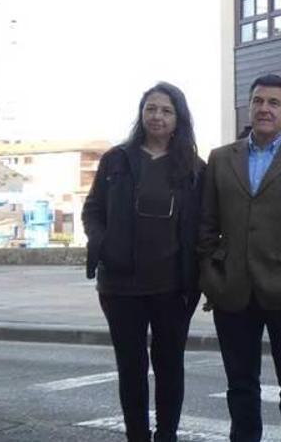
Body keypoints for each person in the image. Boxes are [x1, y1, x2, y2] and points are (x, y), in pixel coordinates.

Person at [197, 74, 281, 442]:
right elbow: (205, 225)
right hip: (232, 290)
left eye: (273, 103)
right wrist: (211, 276)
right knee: (240, 385)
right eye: (258, 101)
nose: (264, 108)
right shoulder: (222, 158)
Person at [82, 82, 205, 442]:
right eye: (151, 108)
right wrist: (104, 244)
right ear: (141, 113)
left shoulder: (194, 168)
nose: (157, 116)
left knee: (170, 367)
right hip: (121, 285)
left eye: (166, 110)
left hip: (173, 286)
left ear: (178, 118)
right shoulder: (115, 160)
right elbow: (92, 209)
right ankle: (137, 434)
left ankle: (167, 434)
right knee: (131, 367)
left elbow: (204, 224)